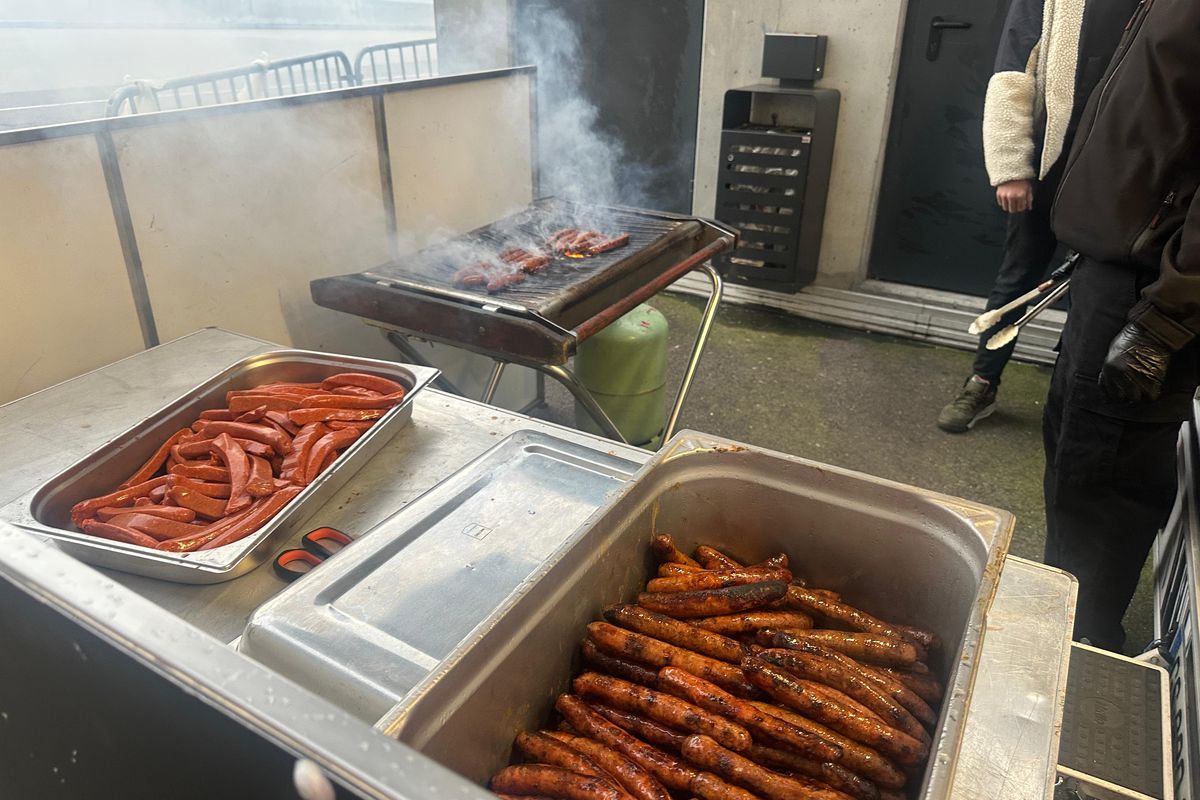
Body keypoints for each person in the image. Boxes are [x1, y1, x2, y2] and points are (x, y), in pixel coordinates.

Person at [1044, 0, 1200, 652]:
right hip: (1115, 271)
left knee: (1102, 489)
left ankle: (1078, 657)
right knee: (1076, 469)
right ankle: (1065, 636)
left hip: (1152, 289)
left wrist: (1166, 316)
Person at [938, 0, 1138, 433]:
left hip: (1118, 175)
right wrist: (1012, 166)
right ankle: (982, 382)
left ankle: (1074, 400)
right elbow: (1013, 71)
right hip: (1052, 166)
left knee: (1097, 294)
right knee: (1017, 279)